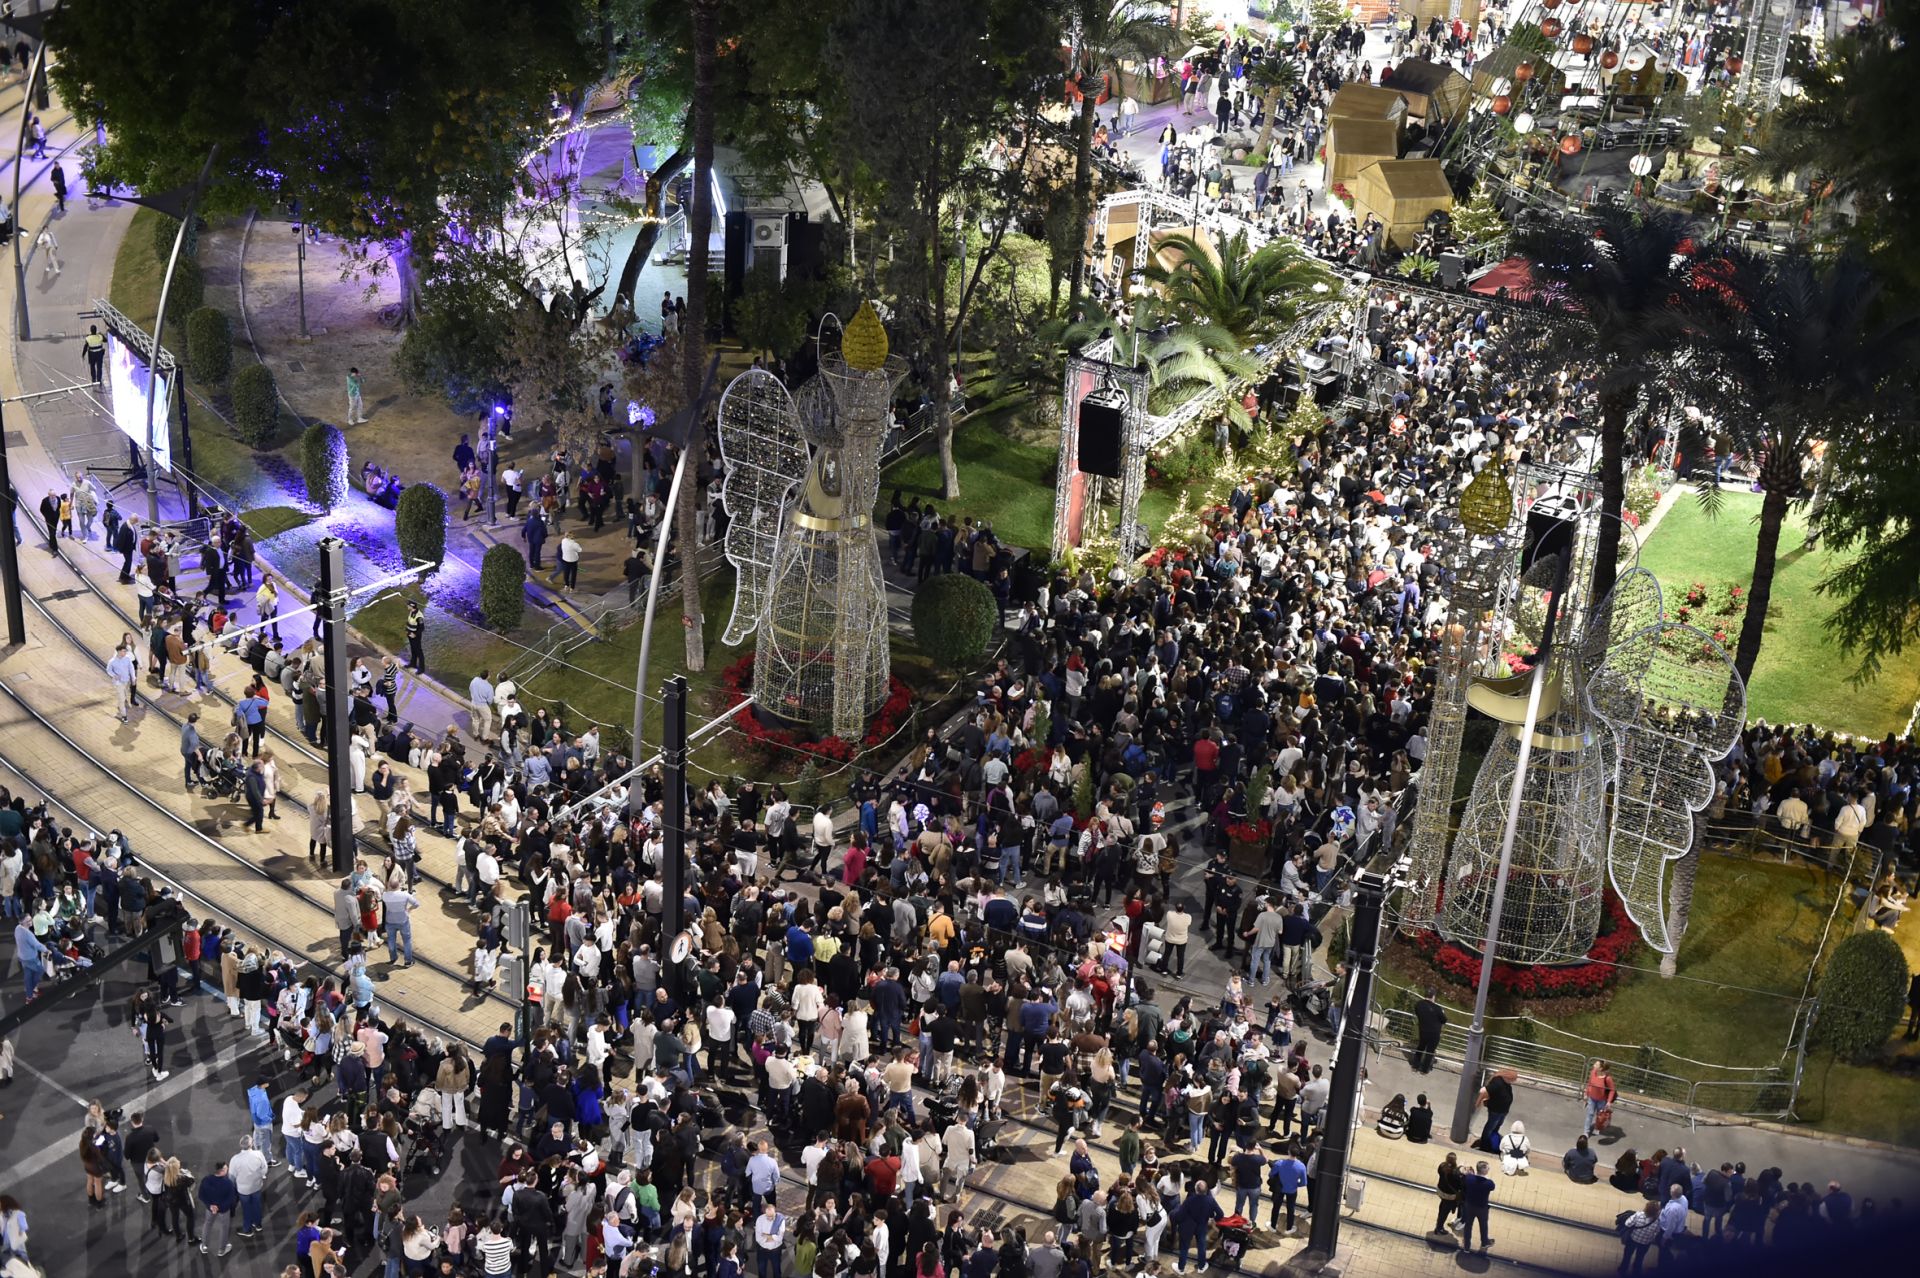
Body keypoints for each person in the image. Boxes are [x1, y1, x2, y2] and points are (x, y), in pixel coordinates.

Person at [1458, 1160, 1495, 1252]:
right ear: (1484, 1170)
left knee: (1468, 1226)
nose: (1489, 1169)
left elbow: (1465, 1175)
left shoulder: (1469, 1178)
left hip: (1469, 1206)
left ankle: (1466, 1246)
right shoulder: (1489, 1183)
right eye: (1487, 1168)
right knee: (1483, 1225)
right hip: (1482, 1208)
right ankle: (1484, 1242)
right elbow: (1493, 1187)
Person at [1618, 1200, 1660, 1275]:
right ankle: (1636, 1271)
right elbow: (1656, 1232)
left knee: (1627, 1255)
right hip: (1645, 1242)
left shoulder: (1638, 1215)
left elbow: (1628, 1224)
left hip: (1633, 1239)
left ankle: (1623, 1269)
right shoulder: (1657, 1221)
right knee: (1640, 1258)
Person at [1411, 989, 1446, 1074]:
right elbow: (1444, 1020)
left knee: (1420, 1048)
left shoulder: (1418, 1004)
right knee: (1430, 1052)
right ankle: (1424, 1070)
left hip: (1423, 1031)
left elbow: (1418, 1013)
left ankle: (1415, 1066)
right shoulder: (1437, 1008)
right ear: (1433, 997)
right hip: (1434, 1033)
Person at [1584, 1060, 1617, 1136]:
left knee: (1600, 1116)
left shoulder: (1607, 1078)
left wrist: (1609, 1102)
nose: (1594, 1065)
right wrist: (1586, 1094)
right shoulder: (1593, 1072)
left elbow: (1612, 1090)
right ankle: (1586, 1132)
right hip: (1592, 1098)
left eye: (1596, 1065)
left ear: (1601, 1068)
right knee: (1590, 1114)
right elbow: (1589, 1084)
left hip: (1602, 1101)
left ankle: (1596, 1128)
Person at [405, 602, 425, 672]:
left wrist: (415, 634)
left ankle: (422, 668)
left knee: (419, 652)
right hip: (410, 635)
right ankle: (413, 664)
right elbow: (410, 622)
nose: (407, 606)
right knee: (413, 650)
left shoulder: (419, 616)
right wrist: (407, 631)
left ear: (412, 606)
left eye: (408, 605)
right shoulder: (411, 611)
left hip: (416, 637)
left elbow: (422, 628)